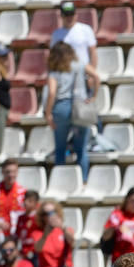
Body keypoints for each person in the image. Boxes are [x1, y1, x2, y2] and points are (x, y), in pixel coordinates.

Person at [45, 41, 97, 184]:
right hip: (79, 107)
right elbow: (96, 77)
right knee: (81, 149)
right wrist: (93, 96)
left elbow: (52, 92)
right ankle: (83, 181)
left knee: (60, 148)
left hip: (61, 108)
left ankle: (59, 181)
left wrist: (48, 113)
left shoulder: (54, 72)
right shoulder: (80, 65)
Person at [51, 0, 98, 73]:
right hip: (64, 75)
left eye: (71, 14)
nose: (69, 18)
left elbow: (93, 53)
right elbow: (53, 57)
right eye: (66, 15)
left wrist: (92, 73)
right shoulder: (56, 34)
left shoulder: (86, 29)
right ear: (61, 16)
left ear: (76, 14)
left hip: (84, 73)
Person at [15, 189, 41, 265]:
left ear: (36, 203)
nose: (26, 203)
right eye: (25, 200)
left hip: (35, 252)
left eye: (30, 201)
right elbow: (17, 235)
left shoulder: (38, 218)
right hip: (23, 252)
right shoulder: (21, 218)